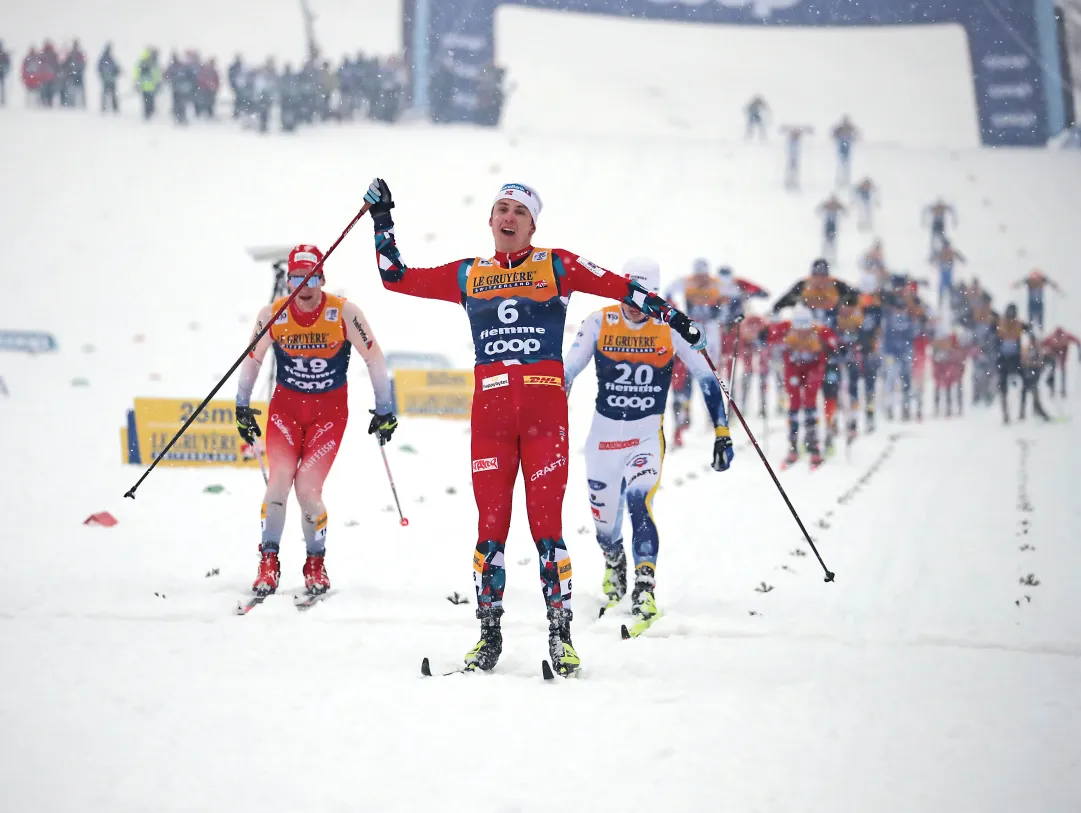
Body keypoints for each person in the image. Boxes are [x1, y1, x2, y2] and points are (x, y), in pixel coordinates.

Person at [362, 178, 704, 676]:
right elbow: (396, 277)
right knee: (489, 532)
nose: (508, 217)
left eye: (518, 211)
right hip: (491, 419)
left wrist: (674, 318)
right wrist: (382, 218)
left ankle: (561, 637)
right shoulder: (468, 273)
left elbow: (621, 286)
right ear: (490, 221)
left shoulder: (557, 265)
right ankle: (488, 637)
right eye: (500, 208)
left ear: (532, 224)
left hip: (544, 418)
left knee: (548, 530)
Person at [564, 257, 733, 628]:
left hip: (644, 436)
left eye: (641, 294)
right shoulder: (599, 321)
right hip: (602, 437)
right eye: (626, 291)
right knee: (605, 526)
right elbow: (568, 369)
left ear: (653, 294)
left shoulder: (668, 327)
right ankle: (614, 562)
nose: (631, 301)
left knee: (639, 501)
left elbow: (707, 377)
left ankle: (645, 584)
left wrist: (722, 430)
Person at [234, 244, 396, 596]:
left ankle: (315, 562)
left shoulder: (343, 312)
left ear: (322, 279)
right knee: (279, 481)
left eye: (311, 278)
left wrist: (385, 408)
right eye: (296, 278)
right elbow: (253, 360)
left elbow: (375, 359)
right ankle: (268, 560)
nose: (303, 286)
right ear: (289, 280)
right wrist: (241, 406)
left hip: (328, 416)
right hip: (285, 414)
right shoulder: (273, 315)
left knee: (307, 490)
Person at [769, 305, 838, 468]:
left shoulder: (820, 330)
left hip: (814, 367)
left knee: (809, 401)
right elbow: (768, 335)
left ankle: (812, 443)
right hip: (793, 366)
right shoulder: (786, 327)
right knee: (793, 402)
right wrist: (763, 335)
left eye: (805, 329)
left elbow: (834, 344)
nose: (801, 333)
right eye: (798, 329)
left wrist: (836, 355)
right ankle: (793, 445)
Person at [994, 303, 1036, 424]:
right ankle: (1006, 413)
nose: (1011, 319)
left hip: (1015, 358)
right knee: (1003, 386)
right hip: (1003, 358)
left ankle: (1021, 411)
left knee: (1025, 381)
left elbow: (1030, 331)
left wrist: (1033, 341)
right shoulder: (1000, 323)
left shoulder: (1018, 324)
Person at [1041, 327, 1080, 397]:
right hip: (1053, 353)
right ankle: (1052, 389)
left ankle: (1063, 390)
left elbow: (1077, 340)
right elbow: (1042, 344)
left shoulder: (1066, 336)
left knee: (1062, 371)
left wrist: (1079, 348)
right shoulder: (1051, 337)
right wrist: (1046, 350)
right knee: (1052, 371)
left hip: (1063, 353)